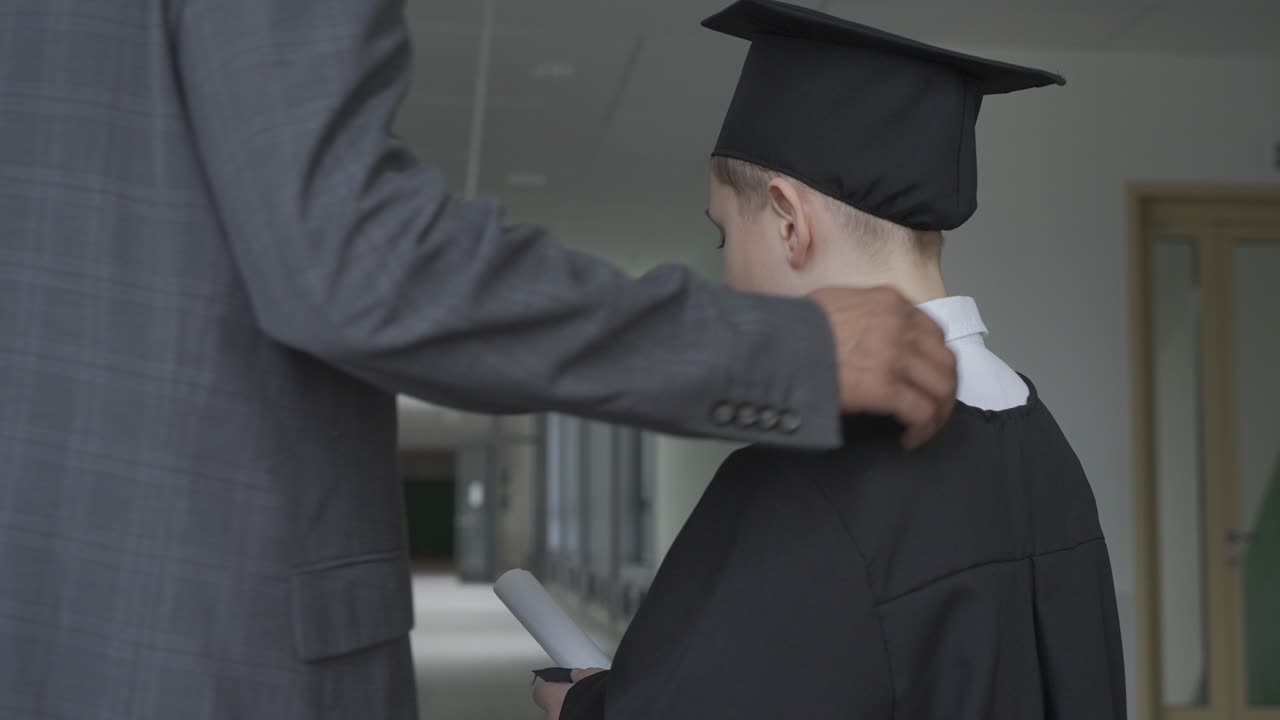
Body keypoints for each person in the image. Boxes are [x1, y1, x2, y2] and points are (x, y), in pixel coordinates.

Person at [0, 1, 959, 719]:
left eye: (717, 235)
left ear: (790, 221)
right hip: (196, 640)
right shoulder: (1014, 463)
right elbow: (352, 267)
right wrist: (781, 354)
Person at [536, 2, 1126, 718]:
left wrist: (586, 705)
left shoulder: (799, 483)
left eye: (725, 236)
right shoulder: (1045, 448)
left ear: (789, 220)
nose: (728, 279)